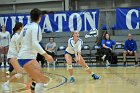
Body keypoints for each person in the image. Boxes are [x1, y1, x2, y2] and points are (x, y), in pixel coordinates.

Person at [16, 8, 53, 93]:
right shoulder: (35, 26)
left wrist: (19, 51)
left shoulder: (26, 26)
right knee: (40, 80)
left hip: (25, 57)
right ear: (39, 17)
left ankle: (33, 88)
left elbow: (18, 40)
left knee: (37, 78)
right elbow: (35, 43)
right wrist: (46, 55)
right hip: (27, 57)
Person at [1, 22, 24, 91]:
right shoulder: (16, 36)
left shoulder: (18, 35)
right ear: (20, 27)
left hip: (16, 56)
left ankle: (38, 82)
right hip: (12, 56)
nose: (23, 28)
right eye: (22, 27)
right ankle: (6, 84)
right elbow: (18, 48)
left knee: (21, 73)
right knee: (20, 73)